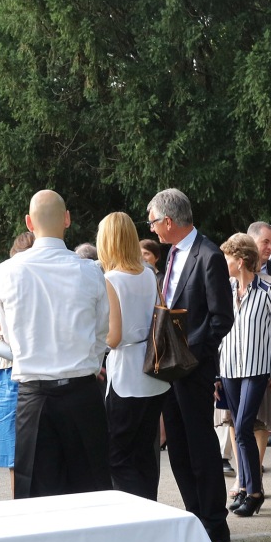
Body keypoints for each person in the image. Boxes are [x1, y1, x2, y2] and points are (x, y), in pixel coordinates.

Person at [0, 191, 111, 499]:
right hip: (82, 392)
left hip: (35, 395)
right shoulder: (90, 270)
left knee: (36, 499)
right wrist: (89, 360)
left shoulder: (9, 270)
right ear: (67, 219)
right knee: (91, 492)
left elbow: (7, 333)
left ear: (29, 223)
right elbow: (102, 332)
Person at [147, 188, 236, 542]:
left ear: (168, 221)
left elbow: (221, 317)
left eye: (153, 221)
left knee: (200, 445)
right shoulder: (172, 255)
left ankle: (215, 521)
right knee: (179, 447)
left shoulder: (208, 255)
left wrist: (189, 355)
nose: (151, 229)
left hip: (192, 367)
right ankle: (194, 514)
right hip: (169, 365)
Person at [99, 213, 169, 501]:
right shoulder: (149, 274)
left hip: (126, 371)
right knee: (144, 453)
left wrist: (94, 339)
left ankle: (134, 516)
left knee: (118, 456)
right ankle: (149, 511)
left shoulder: (112, 279)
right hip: (153, 371)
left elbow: (113, 337)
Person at [217, 231, 271, 516]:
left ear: (241, 260)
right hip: (229, 366)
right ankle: (245, 488)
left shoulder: (268, 288)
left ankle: (255, 491)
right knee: (237, 427)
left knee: (244, 426)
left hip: (257, 368)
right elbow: (219, 330)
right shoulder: (226, 288)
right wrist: (216, 373)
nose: (224, 263)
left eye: (227, 258)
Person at [0, 231, 35, 483]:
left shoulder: (32, 284)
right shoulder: (9, 280)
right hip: (9, 367)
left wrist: (0, 330)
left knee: (18, 450)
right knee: (14, 450)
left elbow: (29, 330)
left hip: (19, 368)